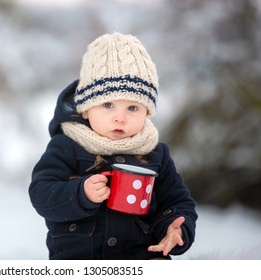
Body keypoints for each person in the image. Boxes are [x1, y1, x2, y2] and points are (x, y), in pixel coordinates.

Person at [29, 32, 198, 260]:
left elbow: (177, 200)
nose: (121, 118)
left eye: (133, 108)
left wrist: (175, 228)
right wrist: (80, 194)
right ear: (86, 108)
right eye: (108, 105)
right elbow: (41, 194)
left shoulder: (156, 154)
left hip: (140, 258)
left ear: (147, 112)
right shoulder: (67, 146)